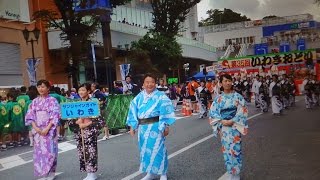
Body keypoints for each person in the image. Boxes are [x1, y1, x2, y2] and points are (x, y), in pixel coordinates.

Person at [126, 73, 176, 180]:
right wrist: (132, 127)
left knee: (158, 150)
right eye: (147, 82)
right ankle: (150, 173)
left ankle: (163, 173)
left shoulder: (161, 96)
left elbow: (166, 111)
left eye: (152, 82)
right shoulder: (138, 98)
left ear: (155, 83)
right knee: (145, 151)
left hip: (156, 126)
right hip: (143, 128)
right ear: (143, 84)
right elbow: (133, 111)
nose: (150, 84)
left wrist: (166, 126)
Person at [209, 74, 248, 180]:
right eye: (225, 81)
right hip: (224, 128)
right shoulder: (218, 99)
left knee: (236, 150)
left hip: (235, 127)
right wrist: (221, 121)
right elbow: (213, 113)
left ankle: (236, 174)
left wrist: (233, 120)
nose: (228, 83)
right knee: (226, 151)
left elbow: (242, 111)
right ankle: (231, 172)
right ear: (221, 83)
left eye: (229, 81)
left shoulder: (238, 97)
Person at [25, 79, 60, 180]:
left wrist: (47, 128)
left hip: (49, 130)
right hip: (38, 131)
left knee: (50, 152)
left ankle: (51, 173)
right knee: (39, 153)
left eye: (43, 86)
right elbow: (30, 116)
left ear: (48, 88)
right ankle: (43, 173)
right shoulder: (34, 101)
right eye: (39, 87)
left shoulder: (52, 100)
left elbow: (55, 115)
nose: (41, 89)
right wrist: (36, 128)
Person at [68, 83, 105, 180]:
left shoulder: (93, 103)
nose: (81, 92)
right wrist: (76, 122)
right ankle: (87, 172)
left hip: (90, 131)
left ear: (88, 91)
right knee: (82, 151)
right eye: (79, 90)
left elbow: (99, 120)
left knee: (91, 151)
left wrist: (87, 124)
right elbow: (71, 118)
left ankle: (92, 173)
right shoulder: (76, 104)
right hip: (80, 131)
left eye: (83, 90)